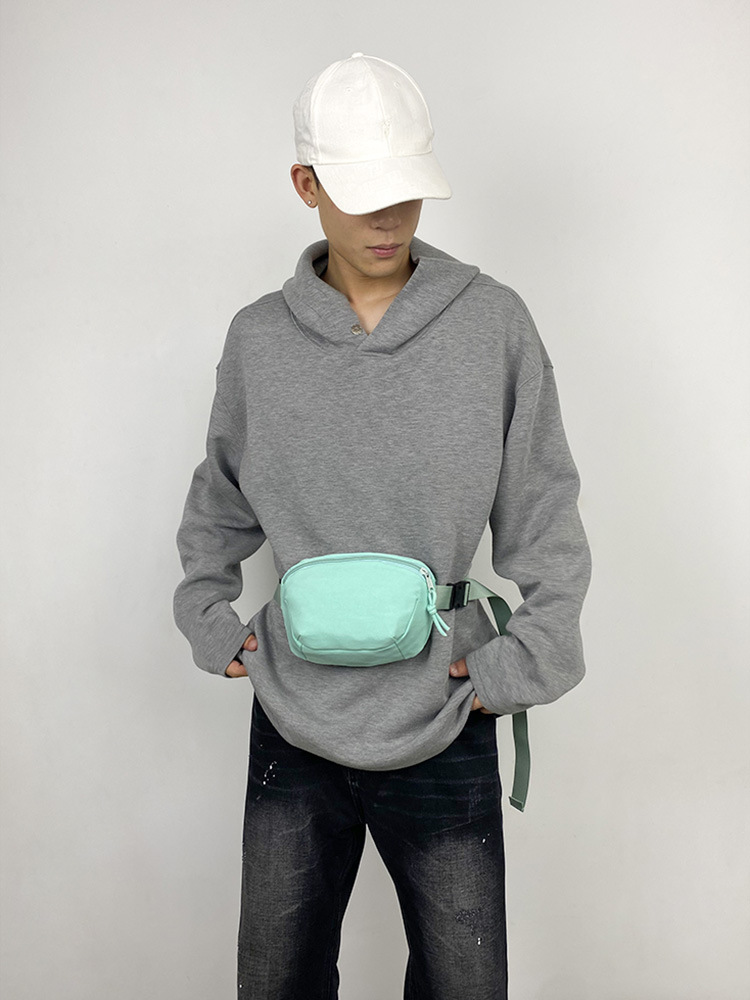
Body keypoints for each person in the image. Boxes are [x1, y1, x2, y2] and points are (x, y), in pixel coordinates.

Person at [173, 52, 592, 1000]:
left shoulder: (494, 325)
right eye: (363, 195)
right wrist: (207, 617)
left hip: (446, 710)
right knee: (275, 982)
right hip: (293, 714)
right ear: (306, 186)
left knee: (463, 986)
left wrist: (527, 660)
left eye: (405, 192)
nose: (390, 220)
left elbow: (545, 509)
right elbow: (219, 498)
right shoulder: (258, 339)